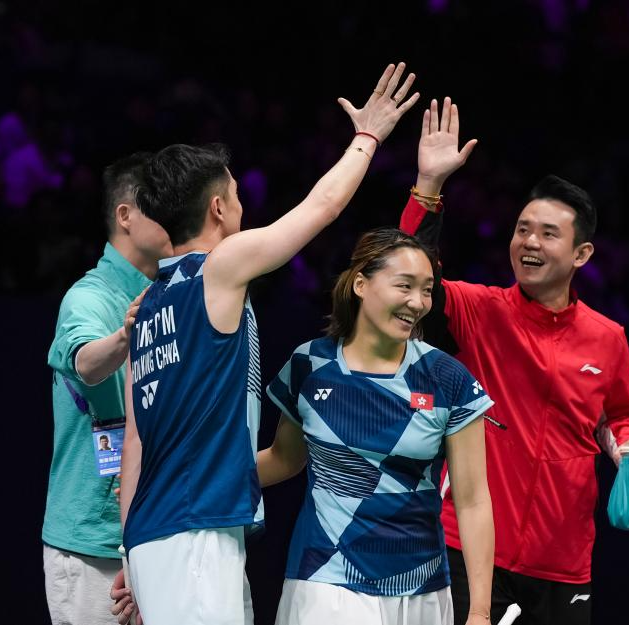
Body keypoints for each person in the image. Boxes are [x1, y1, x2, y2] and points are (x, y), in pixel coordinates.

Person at [116, 63, 419, 625]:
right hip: (194, 532)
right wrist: (368, 137)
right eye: (235, 194)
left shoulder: (148, 307)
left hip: (162, 534)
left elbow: (135, 441)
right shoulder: (218, 268)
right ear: (217, 208)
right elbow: (322, 208)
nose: (242, 204)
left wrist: (130, 550)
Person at [398, 98, 629, 625]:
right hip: (469, 548)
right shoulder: (480, 310)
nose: (529, 242)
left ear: (581, 254)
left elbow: (619, 414)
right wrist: (428, 186)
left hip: (563, 562)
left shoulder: (607, 338)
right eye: (522, 229)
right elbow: (411, 273)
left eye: (547, 233)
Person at [257, 228, 494, 625]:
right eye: (404, 285)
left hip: (421, 588)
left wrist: (480, 612)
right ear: (361, 285)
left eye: (427, 290)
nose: (418, 302)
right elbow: (284, 459)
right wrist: (189, 479)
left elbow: (472, 501)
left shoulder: (447, 378)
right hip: (326, 579)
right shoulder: (310, 365)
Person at [43, 151, 172, 625]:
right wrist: (123, 337)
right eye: (161, 204)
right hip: (91, 544)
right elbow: (85, 362)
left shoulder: (172, 293)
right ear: (125, 215)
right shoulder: (89, 297)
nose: (175, 215)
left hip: (153, 535)